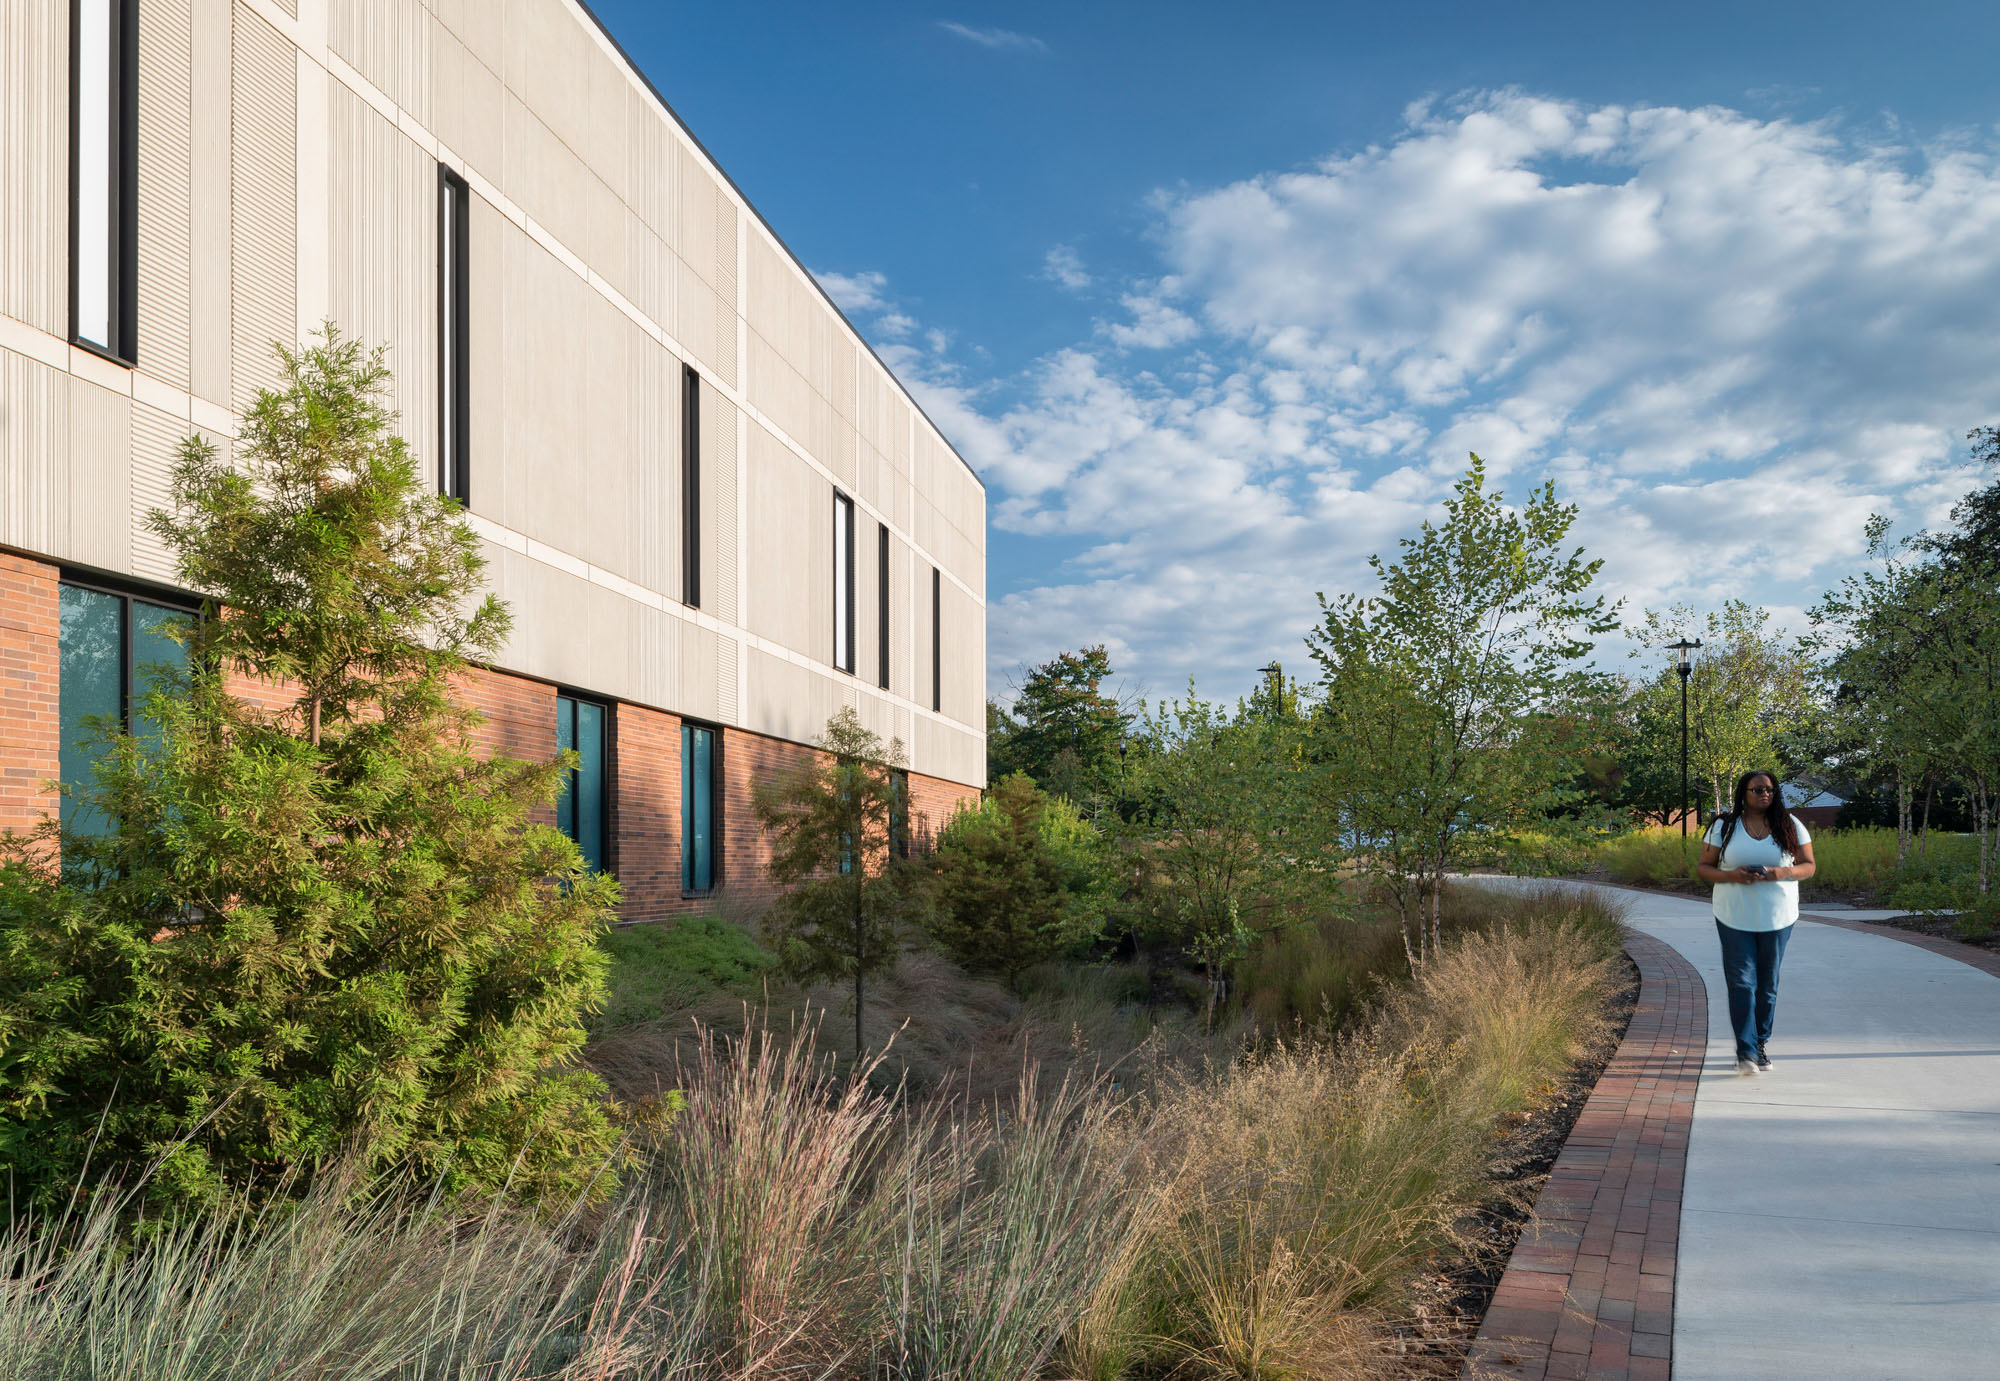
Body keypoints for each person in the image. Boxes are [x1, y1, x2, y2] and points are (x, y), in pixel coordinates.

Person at [1697, 769, 1817, 1076]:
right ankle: (1745, 1052)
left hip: (1778, 917)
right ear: (1743, 793)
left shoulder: (1790, 825)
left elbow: (1809, 866)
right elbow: (1704, 868)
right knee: (1741, 983)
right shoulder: (1724, 826)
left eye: (1770, 790)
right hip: (1733, 915)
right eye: (1758, 790)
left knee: (1767, 986)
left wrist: (1779, 873)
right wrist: (1733, 876)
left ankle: (1760, 1043)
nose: (1765, 794)